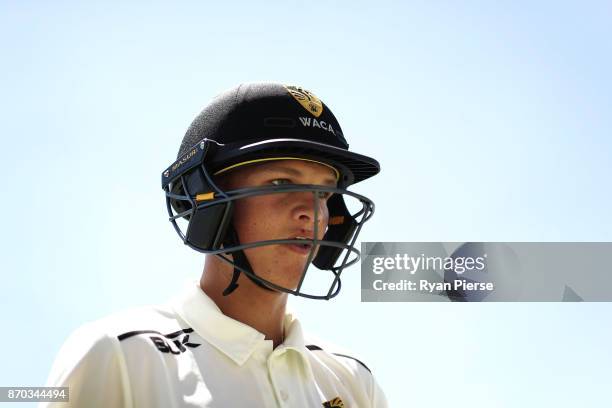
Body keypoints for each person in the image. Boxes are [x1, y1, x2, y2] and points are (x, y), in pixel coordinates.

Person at [43, 83, 387, 407]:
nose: (312, 213)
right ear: (208, 200)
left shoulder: (351, 380)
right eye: (281, 182)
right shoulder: (119, 355)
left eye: (325, 192)